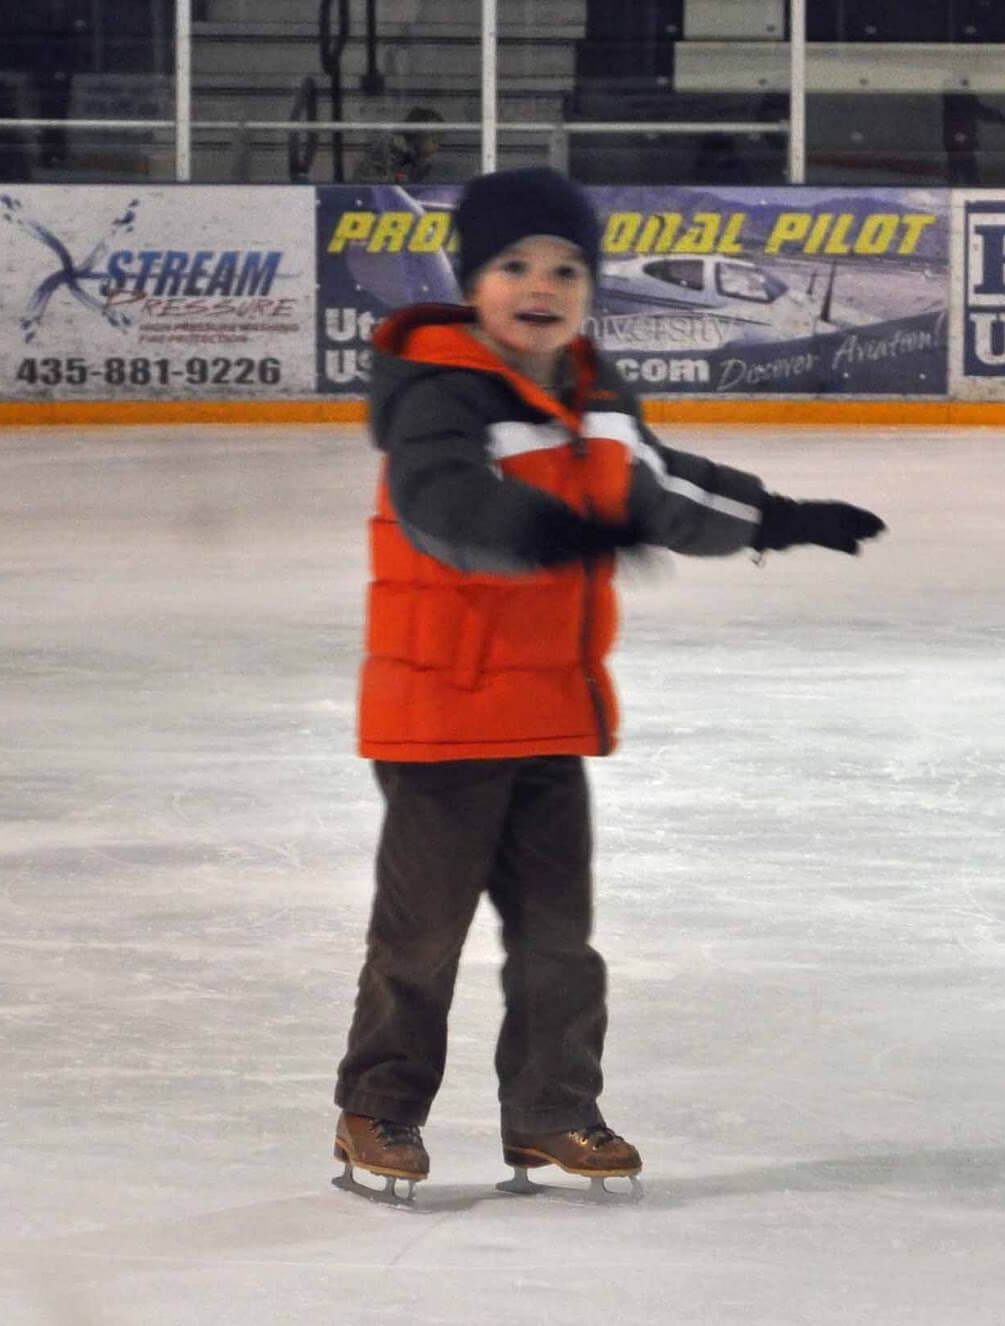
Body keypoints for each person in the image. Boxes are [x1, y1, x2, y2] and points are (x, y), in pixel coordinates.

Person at [331, 166, 885, 1202]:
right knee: (422, 936)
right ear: (471, 280)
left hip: (545, 714)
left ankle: (551, 1111)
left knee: (558, 939)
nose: (539, 285)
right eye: (513, 265)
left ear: (590, 285)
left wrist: (779, 518)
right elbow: (443, 507)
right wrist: (555, 531)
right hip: (441, 718)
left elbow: (661, 488)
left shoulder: (592, 393)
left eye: (565, 268)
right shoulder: (438, 388)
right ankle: (379, 1106)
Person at [357, 106, 445, 184]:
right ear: (419, 136)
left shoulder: (416, 157)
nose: (437, 147)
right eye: (434, 141)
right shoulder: (393, 150)